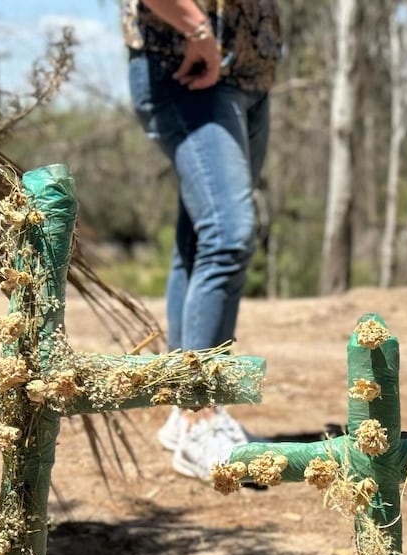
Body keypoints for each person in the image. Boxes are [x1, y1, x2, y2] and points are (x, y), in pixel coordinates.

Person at [121, 0, 281, 481]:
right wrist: (197, 29)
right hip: (188, 66)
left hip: (247, 78)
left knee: (197, 242)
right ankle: (198, 412)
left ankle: (183, 412)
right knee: (228, 234)